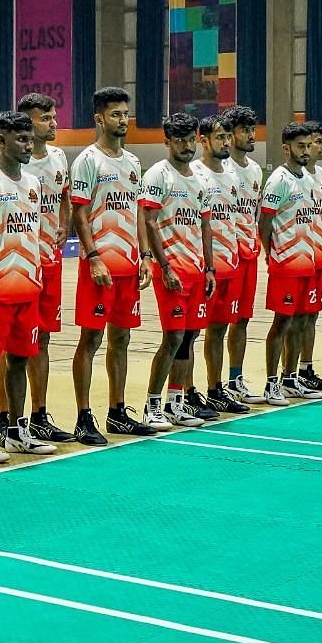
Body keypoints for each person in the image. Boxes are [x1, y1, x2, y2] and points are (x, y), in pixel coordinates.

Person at [71, 87, 157, 442]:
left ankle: (117, 412)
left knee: (122, 338)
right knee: (91, 339)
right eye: (115, 114)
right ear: (99, 119)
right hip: (100, 268)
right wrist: (93, 258)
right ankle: (83, 416)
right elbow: (79, 210)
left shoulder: (134, 163)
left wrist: (146, 256)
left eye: (125, 114)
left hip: (128, 266)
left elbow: (137, 211)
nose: (123, 120)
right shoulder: (88, 161)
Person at [0, 111, 54, 455]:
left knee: (21, 358)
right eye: (20, 139)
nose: (27, 145)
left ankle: (17, 432)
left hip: (28, 288)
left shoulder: (34, 183)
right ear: (1, 140)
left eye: (30, 139)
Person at [140, 112, 215, 429]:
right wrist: (163, 266)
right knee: (173, 338)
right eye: (179, 140)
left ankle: (176, 403)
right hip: (170, 271)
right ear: (167, 141)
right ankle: (152, 406)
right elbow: (149, 220)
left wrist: (210, 268)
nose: (186, 146)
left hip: (197, 271)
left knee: (190, 337)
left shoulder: (201, 180)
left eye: (189, 139)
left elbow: (205, 225)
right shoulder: (159, 175)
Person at [8, 92, 74, 443]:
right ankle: (6, 418)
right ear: (26, 122)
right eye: (45, 118)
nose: (53, 123)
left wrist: (64, 223)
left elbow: (64, 197)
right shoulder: (10, 164)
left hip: (50, 262)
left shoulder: (60, 157)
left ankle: (39, 413)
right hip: (17, 268)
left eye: (53, 116)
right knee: (9, 344)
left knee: (42, 338)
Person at [188, 111, 251, 416]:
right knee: (193, 331)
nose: (226, 142)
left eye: (228, 136)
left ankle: (215, 389)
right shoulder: (195, 174)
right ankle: (186, 392)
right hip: (203, 267)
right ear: (203, 140)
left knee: (220, 329)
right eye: (220, 137)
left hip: (232, 264)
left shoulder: (233, 175)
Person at [259, 123, 321, 405]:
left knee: (299, 321)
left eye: (308, 146)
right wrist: (270, 252)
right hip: (285, 263)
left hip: (306, 262)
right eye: (300, 146)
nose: (306, 151)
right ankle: (271, 384)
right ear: (286, 148)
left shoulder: (308, 179)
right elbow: (265, 221)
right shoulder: (278, 180)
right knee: (281, 323)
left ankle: (290, 378)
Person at [219, 106, 265, 406]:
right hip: (224, 256)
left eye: (253, 129)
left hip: (249, 254)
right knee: (217, 323)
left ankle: (235, 379)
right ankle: (210, 387)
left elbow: (255, 213)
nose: (252, 135)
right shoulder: (217, 169)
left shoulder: (256, 169)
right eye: (246, 130)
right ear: (231, 134)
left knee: (243, 319)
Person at [295, 121, 322, 392]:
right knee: (293, 318)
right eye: (316, 142)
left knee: (312, 314)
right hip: (296, 258)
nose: (320, 148)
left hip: (319, 255)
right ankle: (289, 374)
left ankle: (306, 369)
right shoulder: (291, 177)